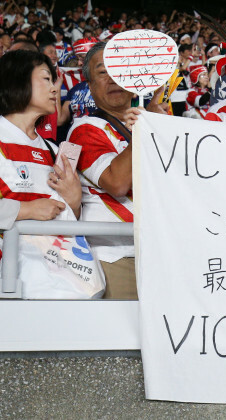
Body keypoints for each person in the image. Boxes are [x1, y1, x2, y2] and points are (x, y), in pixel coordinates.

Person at [67, 42, 166, 299]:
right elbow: (117, 182)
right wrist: (146, 131)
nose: (112, 78)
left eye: (118, 71)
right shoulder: (85, 129)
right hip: (114, 258)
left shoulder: (152, 123)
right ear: (89, 85)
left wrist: (160, 127)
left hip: (157, 255)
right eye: (102, 72)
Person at [0, 50, 82, 249]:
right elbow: (35, 211)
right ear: (16, 80)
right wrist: (24, 210)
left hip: (50, 270)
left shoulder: (55, 151)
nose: (55, 89)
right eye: (46, 79)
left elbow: (67, 219)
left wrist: (74, 202)